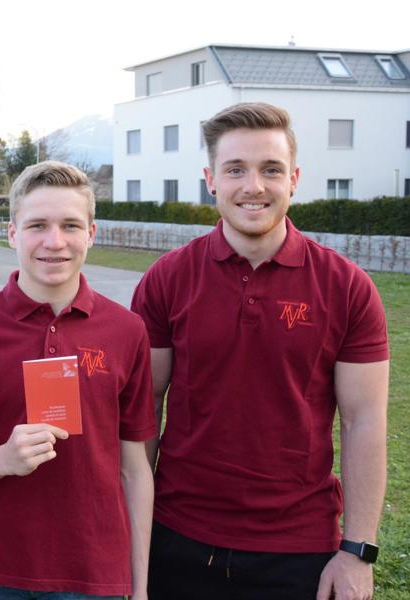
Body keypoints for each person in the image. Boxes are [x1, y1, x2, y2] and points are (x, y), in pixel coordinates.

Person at [130, 102, 389, 600]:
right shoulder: (167, 279)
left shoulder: (347, 287)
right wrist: (134, 533)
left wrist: (358, 551)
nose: (254, 186)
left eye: (270, 169)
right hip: (178, 540)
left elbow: (365, 422)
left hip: (300, 551)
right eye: (235, 170)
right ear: (211, 180)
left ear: (293, 178)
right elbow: (144, 409)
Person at [0, 161, 156, 599]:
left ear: (92, 235)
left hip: (96, 569)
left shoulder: (127, 331)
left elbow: (134, 469)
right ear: (12, 234)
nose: (54, 242)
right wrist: (1, 459)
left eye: (70, 226)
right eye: (37, 225)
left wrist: (140, 582)